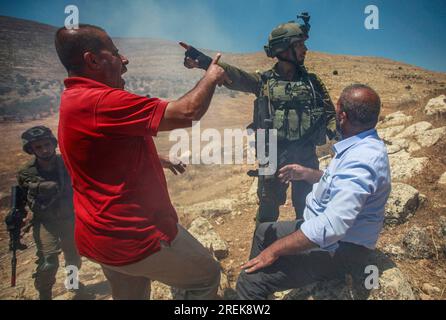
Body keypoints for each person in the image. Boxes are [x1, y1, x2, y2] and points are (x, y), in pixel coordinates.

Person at [55, 24, 229, 300]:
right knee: (206, 276)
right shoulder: (102, 101)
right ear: (93, 60)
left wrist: (158, 159)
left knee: (131, 293)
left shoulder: (74, 99)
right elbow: (187, 112)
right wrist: (211, 76)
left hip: (99, 236)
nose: (124, 59)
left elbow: (101, 155)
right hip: (135, 234)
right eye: (114, 52)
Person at [235, 84, 391, 300]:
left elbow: (332, 227)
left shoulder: (362, 160)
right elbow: (340, 183)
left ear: (342, 116)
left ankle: (255, 287)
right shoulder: (360, 144)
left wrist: (274, 251)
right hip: (328, 235)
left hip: (341, 250)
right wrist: (307, 173)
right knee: (264, 231)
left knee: (250, 281)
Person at [180, 12, 337, 224]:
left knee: (309, 207)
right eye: (299, 45)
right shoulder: (264, 82)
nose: (305, 49)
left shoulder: (312, 82)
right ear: (284, 49)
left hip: (305, 153)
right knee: (268, 211)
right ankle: (264, 252)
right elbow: (235, 76)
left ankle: (306, 250)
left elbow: (330, 116)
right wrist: (203, 61)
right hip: (273, 153)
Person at [15, 126, 81, 300]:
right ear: (31, 149)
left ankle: (73, 285)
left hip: (70, 219)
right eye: (38, 147)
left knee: (73, 257)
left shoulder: (67, 163)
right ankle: (45, 295)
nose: (44, 150)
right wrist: (17, 221)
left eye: (47, 144)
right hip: (46, 223)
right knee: (48, 262)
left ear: (54, 144)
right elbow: (21, 200)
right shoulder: (26, 172)